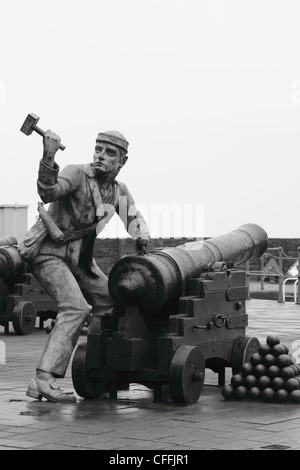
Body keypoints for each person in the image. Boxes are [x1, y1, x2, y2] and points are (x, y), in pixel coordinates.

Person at [18, 129, 150, 403]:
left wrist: (141, 235)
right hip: (48, 252)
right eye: (99, 150)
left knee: (111, 300)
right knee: (76, 307)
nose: (101, 156)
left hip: (79, 259)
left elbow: (133, 217)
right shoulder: (76, 173)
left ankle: (96, 365)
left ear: (121, 162)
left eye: (110, 153)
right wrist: (49, 155)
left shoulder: (118, 191)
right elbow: (49, 191)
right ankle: (43, 379)